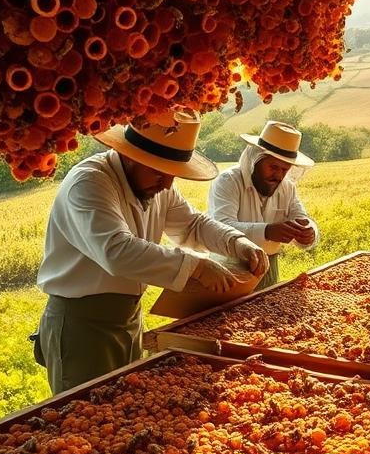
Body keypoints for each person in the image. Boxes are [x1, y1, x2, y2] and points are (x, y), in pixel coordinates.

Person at [34, 109, 269, 394]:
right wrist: (196, 267)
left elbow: (193, 224)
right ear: (130, 155)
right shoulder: (89, 182)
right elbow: (116, 251)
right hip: (81, 326)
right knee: (88, 409)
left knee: (125, 405)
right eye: (159, 171)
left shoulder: (157, 184)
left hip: (129, 317)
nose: (167, 184)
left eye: (173, 174)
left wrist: (237, 242)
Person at [207, 120, 318, 290]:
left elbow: (301, 217)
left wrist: (309, 231)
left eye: (285, 170)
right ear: (256, 159)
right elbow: (221, 227)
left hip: (269, 269)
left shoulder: (287, 187)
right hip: (228, 267)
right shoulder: (228, 181)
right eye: (273, 167)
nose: (278, 176)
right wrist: (267, 231)